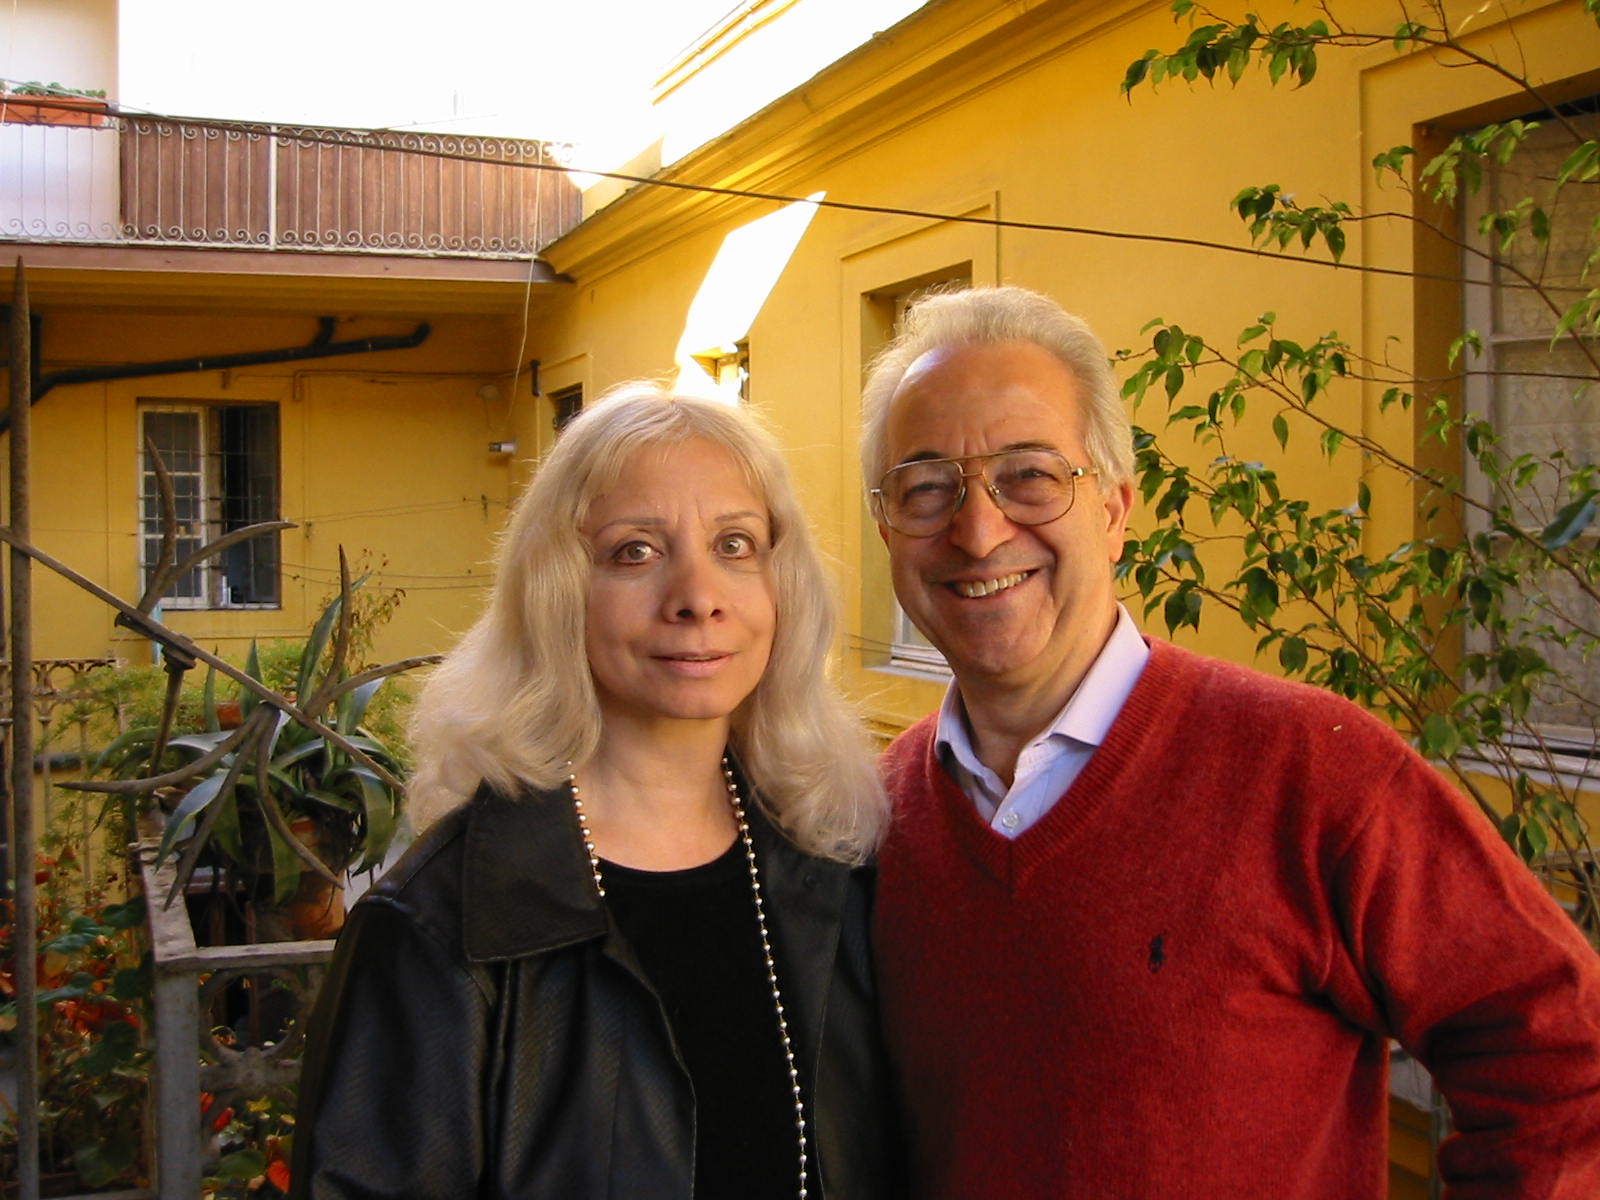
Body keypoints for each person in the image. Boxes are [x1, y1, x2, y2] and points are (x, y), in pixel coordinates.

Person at [859, 285, 1600, 1199]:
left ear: (1116, 510)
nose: (978, 530)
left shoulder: (1312, 768)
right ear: (888, 527)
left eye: (1031, 475)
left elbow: (1565, 1057)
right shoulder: (874, 819)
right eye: (928, 488)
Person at [292, 382, 902, 1199]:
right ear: (557, 593)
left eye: (735, 544)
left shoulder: (834, 861)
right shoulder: (439, 928)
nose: (697, 598)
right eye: (635, 552)